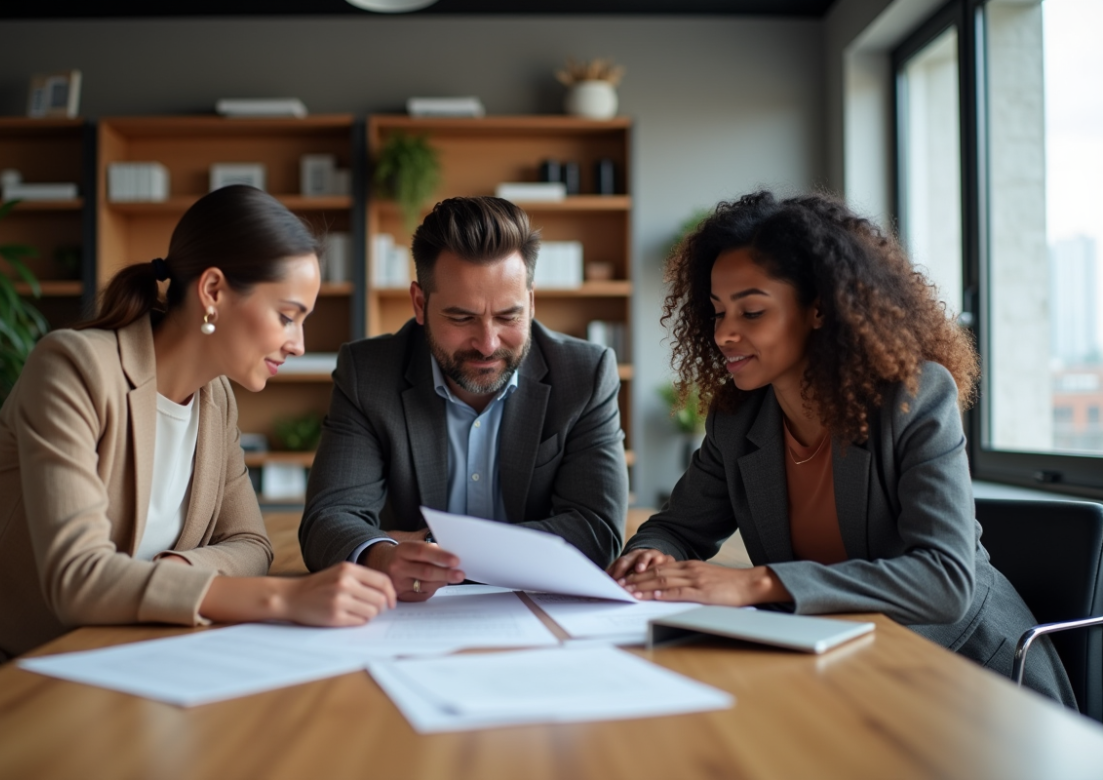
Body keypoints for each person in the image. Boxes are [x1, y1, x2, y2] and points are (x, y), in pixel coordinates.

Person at [609, 190, 1075, 706]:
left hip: (970, 677)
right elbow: (678, 526)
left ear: (819, 310)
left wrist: (756, 585)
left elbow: (944, 581)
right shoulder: (738, 421)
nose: (724, 334)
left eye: (752, 312)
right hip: (837, 666)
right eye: (718, 313)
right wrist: (652, 556)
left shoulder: (914, 398)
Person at [0, 186, 395, 695]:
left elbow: (252, 544)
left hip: (113, 663)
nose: (299, 343)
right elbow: (77, 577)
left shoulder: (216, 400)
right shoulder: (73, 367)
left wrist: (179, 567)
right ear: (214, 290)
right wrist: (281, 600)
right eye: (287, 316)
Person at [300, 196, 628, 600]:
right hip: (413, 616)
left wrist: (434, 546)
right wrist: (384, 557)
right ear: (420, 303)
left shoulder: (585, 374)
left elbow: (596, 532)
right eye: (462, 318)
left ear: (532, 301)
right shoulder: (368, 373)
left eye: (509, 316)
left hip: (538, 611)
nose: (488, 343)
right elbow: (327, 521)